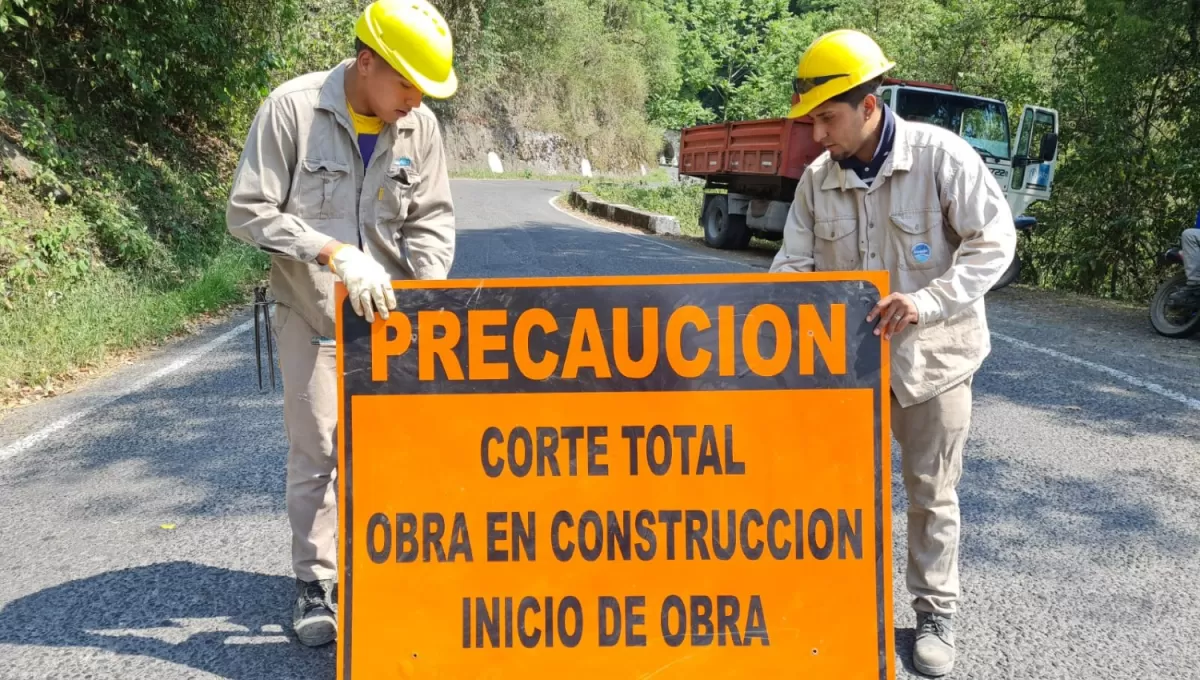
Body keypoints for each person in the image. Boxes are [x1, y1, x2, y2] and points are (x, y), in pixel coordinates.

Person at [769, 29, 1016, 677]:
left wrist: (929, 302)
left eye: (828, 118)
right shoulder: (816, 183)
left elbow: (994, 245)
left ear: (869, 106)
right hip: (847, 373)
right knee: (835, 491)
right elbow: (791, 266)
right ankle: (840, 603)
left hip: (934, 362)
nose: (818, 135)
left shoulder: (943, 158)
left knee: (932, 492)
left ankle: (935, 612)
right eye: (813, 120)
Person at [225, 0, 457, 647]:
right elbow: (247, 212)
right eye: (408, 83)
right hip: (311, 311)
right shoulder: (293, 111)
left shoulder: (421, 128)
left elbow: (432, 220)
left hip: (391, 321)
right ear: (366, 64)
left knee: (396, 449)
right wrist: (332, 252)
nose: (416, 100)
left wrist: (426, 299)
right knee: (320, 449)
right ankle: (316, 581)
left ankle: (385, 569)